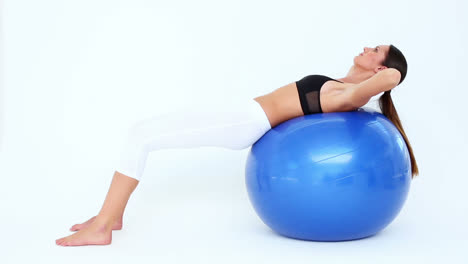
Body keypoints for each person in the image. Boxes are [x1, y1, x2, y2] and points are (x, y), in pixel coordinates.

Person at [55, 44, 419, 246]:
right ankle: (112, 216)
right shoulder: (342, 84)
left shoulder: (349, 96)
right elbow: (377, 78)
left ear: (379, 72)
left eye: (377, 51)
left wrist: (394, 74)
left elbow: (386, 79)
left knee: (141, 134)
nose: (368, 47)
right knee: (146, 131)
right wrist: (382, 73)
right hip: (246, 115)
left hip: (248, 121)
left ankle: (103, 226)